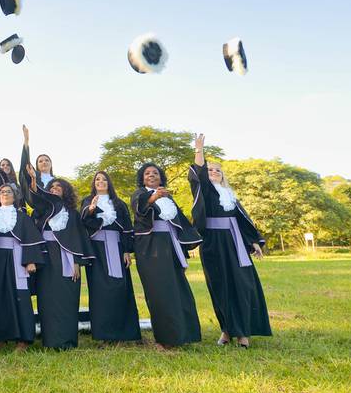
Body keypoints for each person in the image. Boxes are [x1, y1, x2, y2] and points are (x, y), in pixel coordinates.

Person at [189, 134, 271, 348]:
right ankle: (226, 330)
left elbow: (243, 222)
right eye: (210, 169)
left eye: (217, 170)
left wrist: (254, 242)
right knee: (219, 287)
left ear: (223, 175)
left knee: (243, 286)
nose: (213, 172)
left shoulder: (230, 196)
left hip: (235, 245)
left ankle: (243, 333)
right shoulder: (205, 191)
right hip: (213, 245)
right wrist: (199, 150)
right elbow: (198, 174)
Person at [23, 161, 95, 350]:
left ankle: (67, 341)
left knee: (67, 300)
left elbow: (79, 239)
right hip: (45, 261)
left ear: (66, 192)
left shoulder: (72, 214)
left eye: (59, 187)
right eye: (52, 186)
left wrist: (77, 262)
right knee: (47, 301)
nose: (55, 189)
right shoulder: (40, 212)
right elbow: (31, 237)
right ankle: (50, 341)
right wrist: (32, 178)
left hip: (66, 261)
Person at [131, 163, 202, 348]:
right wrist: (153, 197)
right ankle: (166, 339)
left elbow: (182, 222)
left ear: (161, 177)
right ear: (142, 178)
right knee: (159, 291)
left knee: (179, 288)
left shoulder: (168, 197)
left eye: (155, 173)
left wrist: (192, 239)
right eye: (147, 173)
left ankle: (185, 334)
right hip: (151, 248)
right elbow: (140, 211)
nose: (151, 175)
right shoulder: (139, 195)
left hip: (171, 245)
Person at [0, 164, 45, 351]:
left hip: (18, 258)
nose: (5, 194)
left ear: (15, 196)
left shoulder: (22, 216)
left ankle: (23, 339)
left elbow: (30, 237)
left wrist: (31, 260)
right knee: (0, 296)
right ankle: (0, 337)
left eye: (9, 192)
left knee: (21, 297)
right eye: (2, 192)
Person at [79, 171, 142, 343]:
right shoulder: (87, 201)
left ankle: (125, 333)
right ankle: (104, 335)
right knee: (100, 291)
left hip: (117, 247)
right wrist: (91, 210)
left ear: (109, 183)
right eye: (97, 180)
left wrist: (127, 250)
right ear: (94, 183)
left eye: (104, 179)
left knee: (120, 288)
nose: (101, 182)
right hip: (97, 251)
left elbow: (127, 228)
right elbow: (83, 223)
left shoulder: (119, 204)